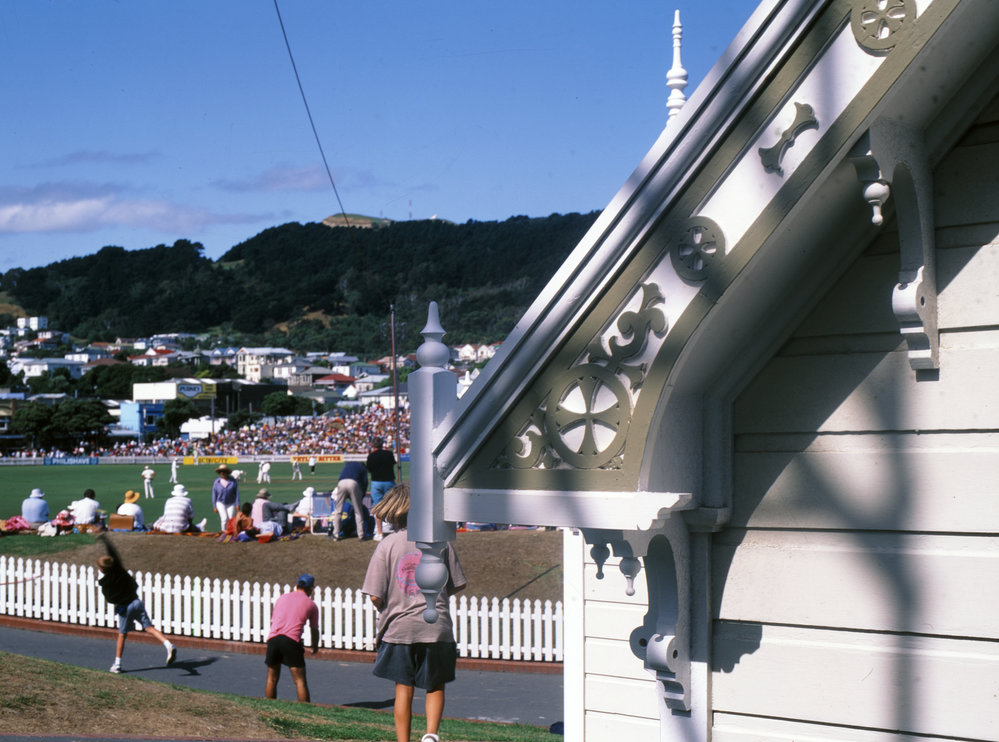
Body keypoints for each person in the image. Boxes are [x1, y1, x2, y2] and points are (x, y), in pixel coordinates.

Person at [362, 484, 467, 742]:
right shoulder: (440, 543)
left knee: (403, 687)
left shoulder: (387, 545)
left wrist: (392, 606)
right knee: (435, 684)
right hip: (436, 624)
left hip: (400, 627)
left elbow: (375, 594)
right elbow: (456, 584)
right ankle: (431, 734)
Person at [96, 534, 176, 674]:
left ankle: (117, 664)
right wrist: (104, 538)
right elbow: (113, 552)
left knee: (122, 634)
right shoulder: (119, 570)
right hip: (137, 602)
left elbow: (110, 599)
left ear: (102, 570)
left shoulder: (105, 584)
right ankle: (168, 644)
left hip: (126, 607)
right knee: (149, 627)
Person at [265, 573, 320, 702]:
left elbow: (273, 621)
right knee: (300, 681)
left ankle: (268, 707)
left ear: (296, 585)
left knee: (271, 678)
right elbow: (314, 629)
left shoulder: (282, 598)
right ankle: (304, 712)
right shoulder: (311, 605)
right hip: (291, 641)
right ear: (311, 588)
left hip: (273, 639)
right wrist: (315, 646)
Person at [365, 437, 397, 541]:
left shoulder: (371, 456)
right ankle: (395, 528)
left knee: (377, 507)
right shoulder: (389, 454)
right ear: (382, 444)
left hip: (376, 482)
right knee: (392, 504)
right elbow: (393, 464)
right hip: (389, 481)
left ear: (373, 445)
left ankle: (379, 532)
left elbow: (369, 469)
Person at [330, 459, 369, 541]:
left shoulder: (348, 465)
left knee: (338, 510)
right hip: (354, 483)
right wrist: (361, 497)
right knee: (358, 511)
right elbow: (364, 483)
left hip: (341, 482)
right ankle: (361, 535)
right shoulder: (363, 468)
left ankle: (335, 534)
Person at [211, 464, 239, 531]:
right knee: (224, 519)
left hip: (231, 503)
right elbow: (214, 494)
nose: (222, 473)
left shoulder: (233, 481)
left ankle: (231, 532)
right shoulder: (216, 482)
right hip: (220, 503)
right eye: (221, 472)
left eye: (224, 471)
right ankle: (223, 532)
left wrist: (238, 504)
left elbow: (236, 493)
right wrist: (214, 506)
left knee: (231, 518)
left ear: (227, 472)